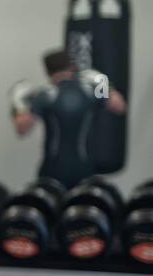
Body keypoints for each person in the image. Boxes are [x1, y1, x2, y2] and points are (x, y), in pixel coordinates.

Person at [10, 48, 126, 189]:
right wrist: (103, 83)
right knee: (80, 209)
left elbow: (22, 129)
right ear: (72, 67)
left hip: (52, 170)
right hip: (85, 169)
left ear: (47, 72)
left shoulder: (45, 94)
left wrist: (19, 104)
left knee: (49, 209)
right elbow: (120, 106)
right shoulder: (89, 90)